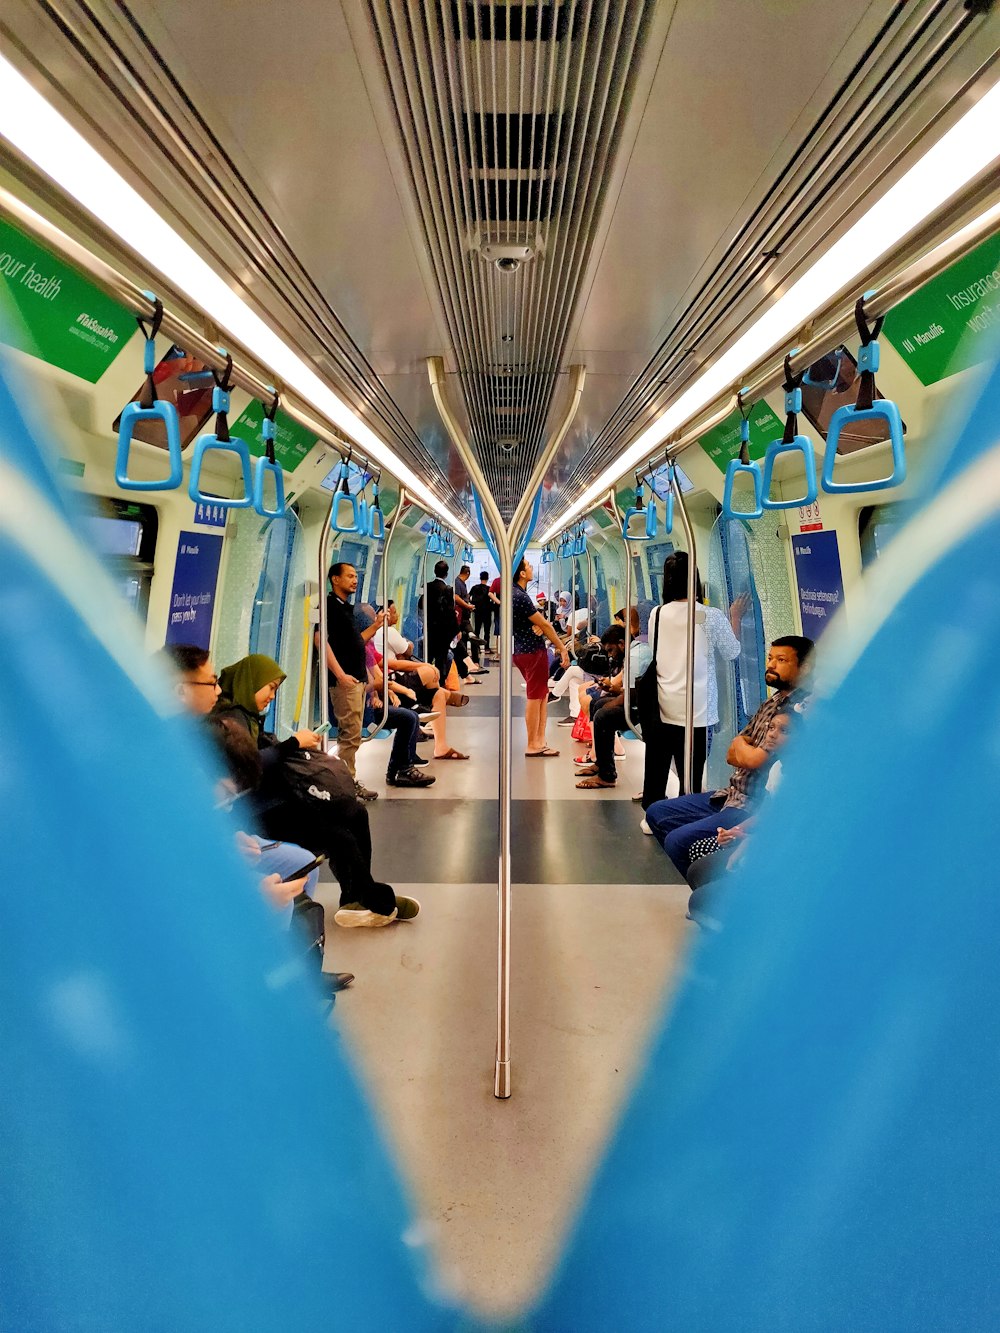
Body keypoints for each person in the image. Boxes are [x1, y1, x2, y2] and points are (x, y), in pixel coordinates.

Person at [162, 645, 354, 987]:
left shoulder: (206, 728)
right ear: (180, 689)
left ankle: (301, 961)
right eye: (210, 683)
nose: (219, 690)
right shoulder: (162, 747)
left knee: (299, 859)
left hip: (208, 843)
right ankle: (266, 982)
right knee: (276, 895)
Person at [213, 652, 419, 928]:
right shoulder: (230, 722)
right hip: (258, 812)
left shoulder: (248, 717)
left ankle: (355, 896)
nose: (273, 696)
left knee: (355, 813)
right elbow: (248, 769)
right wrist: (293, 744)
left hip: (276, 800)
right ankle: (370, 898)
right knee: (338, 837)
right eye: (270, 687)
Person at [644, 635, 814, 875]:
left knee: (678, 841)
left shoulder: (800, 712)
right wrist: (746, 749)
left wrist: (746, 749)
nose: (771, 665)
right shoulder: (772, 701)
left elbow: (755, 759)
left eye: (781, 660)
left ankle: (715, 888)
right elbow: (733, 752)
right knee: (657, 812)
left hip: (751, 805)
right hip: (731, 794)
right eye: (769, 658)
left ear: (805, 668)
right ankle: (703, 876)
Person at [640, 552, 742, 808]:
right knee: (692, 775)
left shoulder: (657, 614)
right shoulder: (711, 616)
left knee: (658, 764)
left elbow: (658, 651)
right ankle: (685, 813)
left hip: (663, 703)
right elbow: (732, 652)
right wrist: (736, 618)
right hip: (698, 709)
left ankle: (654, 813)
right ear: (694, 579)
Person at [686, 706, 798, 925]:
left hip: (779, 853)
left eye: (785, 731)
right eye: (771, 728)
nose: (773, 734)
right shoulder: (777, 769)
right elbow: (767, 813)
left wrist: (752, 843)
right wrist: (738, 831)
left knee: (699, 903)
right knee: (697, 868)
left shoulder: (803, 777)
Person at [316, 561, 384, 801]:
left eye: (356, 577)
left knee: (353, 735)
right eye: (350, 576)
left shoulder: (346, 608)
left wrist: (376, 626)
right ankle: (346, 786)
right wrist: (340, 675)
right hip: (345, 680)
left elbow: (357, 641)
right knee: (349, 735)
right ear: (335, 579)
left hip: (356, 679)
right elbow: (320, 640)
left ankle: (348, 782)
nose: (355, 580)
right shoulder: (329, 607)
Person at [576, 611, 652, 789]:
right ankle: (603, 764)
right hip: (636, 698)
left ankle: (607, 776)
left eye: (611, 650)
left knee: (603, 714)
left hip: (643, 707)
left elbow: (634, 693)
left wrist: (615, 697)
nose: (610, 655)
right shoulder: (635, 650)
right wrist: (615, 691)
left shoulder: (636, 656)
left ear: (622, 644)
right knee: (597, 704)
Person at [512, 557, 570, 757]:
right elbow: (545, 625)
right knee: (535, 697)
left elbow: (536, 623)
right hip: (532, 652)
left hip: (523, 649)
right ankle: (533, 744)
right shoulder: (520, 596)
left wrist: (538, 625)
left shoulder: (514, 594)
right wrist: (562, 648)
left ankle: (540, 740)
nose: (530, 568)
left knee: (542, 695)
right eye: (527, 566)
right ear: (521, 573)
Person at [454, 564, 486, 671]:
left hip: (465, 616)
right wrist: (467, 605)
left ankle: (474, 662)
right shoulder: (457, 583)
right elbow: (456, 597)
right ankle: (467, 664)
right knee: (465, 639)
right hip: (461, 618)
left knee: (471, 638)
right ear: (467, 574)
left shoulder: (462, 583)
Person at [470, 572, 498, 656]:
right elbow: (492, 601)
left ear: (480, 577)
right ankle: (486, 648)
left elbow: (469, 597)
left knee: (477, 630)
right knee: (487, 631)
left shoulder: (474, 588)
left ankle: (476, 648)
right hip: (487, 612)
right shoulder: (489, 589)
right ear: (487, 578)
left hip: (477, 612)